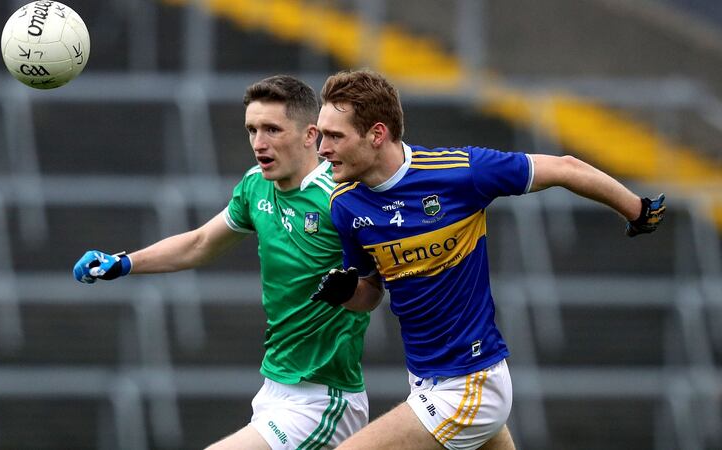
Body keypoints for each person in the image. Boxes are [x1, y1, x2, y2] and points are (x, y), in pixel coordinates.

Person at [311, 69, 666, 450]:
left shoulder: (461, 173)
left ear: (376, 134)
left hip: (471, 383)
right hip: (425, 380)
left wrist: (637, 211)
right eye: (321, 135)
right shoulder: (345, 204)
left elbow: (565, 168)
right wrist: (348, 291)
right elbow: (371, 294)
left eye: (335, 136)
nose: (322, 148)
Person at [72, 75, 377, 450]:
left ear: (310, 135)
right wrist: (124, 263)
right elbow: (200, 243)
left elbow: (378, 282)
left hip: (324, 398)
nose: (258, 143)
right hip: (274, 389)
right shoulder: (255, 186)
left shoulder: (340, 198)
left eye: (271, 129)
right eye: (251, 130)